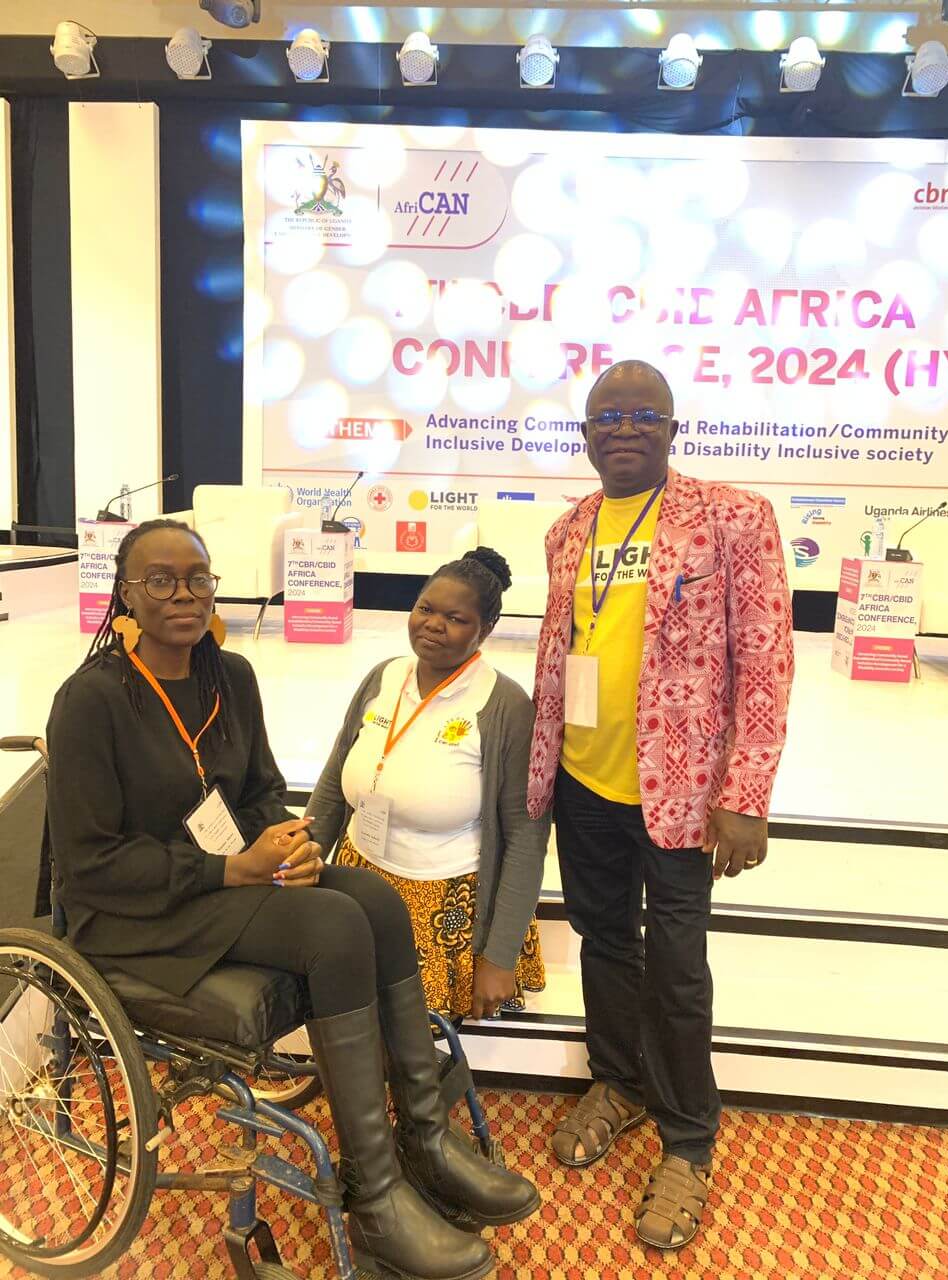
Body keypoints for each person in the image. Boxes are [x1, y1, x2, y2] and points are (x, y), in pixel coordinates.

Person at [45, 519, 539, 1280]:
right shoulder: (91, 700)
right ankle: (373, 1200)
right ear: (125, 593)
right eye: (160, 580)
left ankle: (425, 1143)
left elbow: (261, 792)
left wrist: (287, 841)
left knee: (371, 899)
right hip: (133, 913)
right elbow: (90, 864)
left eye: (198, 578)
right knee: (334, 928)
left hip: (224, 877)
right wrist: (232, 871)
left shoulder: (230, 678)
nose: (183, 594)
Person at [526, 361, 795, 1250]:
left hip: (680, 793)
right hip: (584, 780)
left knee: (676, 964)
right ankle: (618, 1082)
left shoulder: (732, 515)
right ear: (588, 433)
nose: (625, 428)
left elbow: (764, 659)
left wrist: (745, 792)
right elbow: (565, 650)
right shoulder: (568, 531)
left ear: (675, 426)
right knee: (605, 940)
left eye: (644, 414)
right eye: (608, 416)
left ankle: (688, 1138)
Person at [306, 547, 549, 1024]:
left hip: (444, 904)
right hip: (359, 876)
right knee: (354, 1019)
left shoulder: (505, 706)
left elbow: (525, 838)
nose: (433, 625)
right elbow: (337, 775)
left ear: (486, 630)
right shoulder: (385, 675)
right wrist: (309, 847)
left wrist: (498, 956)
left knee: (419, 1040)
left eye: (455, 618)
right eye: (425, 609)